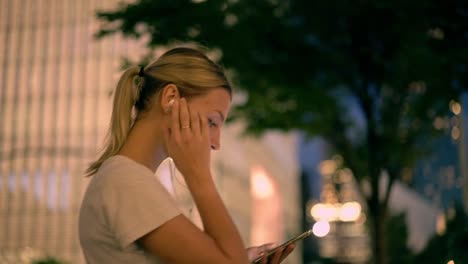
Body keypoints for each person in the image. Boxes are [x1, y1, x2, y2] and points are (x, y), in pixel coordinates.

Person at [78, 47, 295, 264]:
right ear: (171, 98)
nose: (216, 143)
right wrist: (199, 175)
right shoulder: (126, 181)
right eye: (212, 122)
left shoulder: (128, 178)